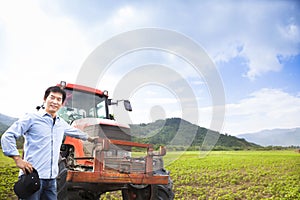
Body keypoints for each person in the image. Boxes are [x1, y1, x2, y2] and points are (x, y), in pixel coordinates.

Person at [1, 86, 96, 200]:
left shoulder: (61, 123)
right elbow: (8, 136)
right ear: (45, 99)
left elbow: (75, 132)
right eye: (52, 97)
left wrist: (91, 139)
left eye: (59, 99)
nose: (55, 102)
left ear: (61, 104)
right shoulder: (31, 118)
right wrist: (17, 159)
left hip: (51, 180)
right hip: (33, 177)